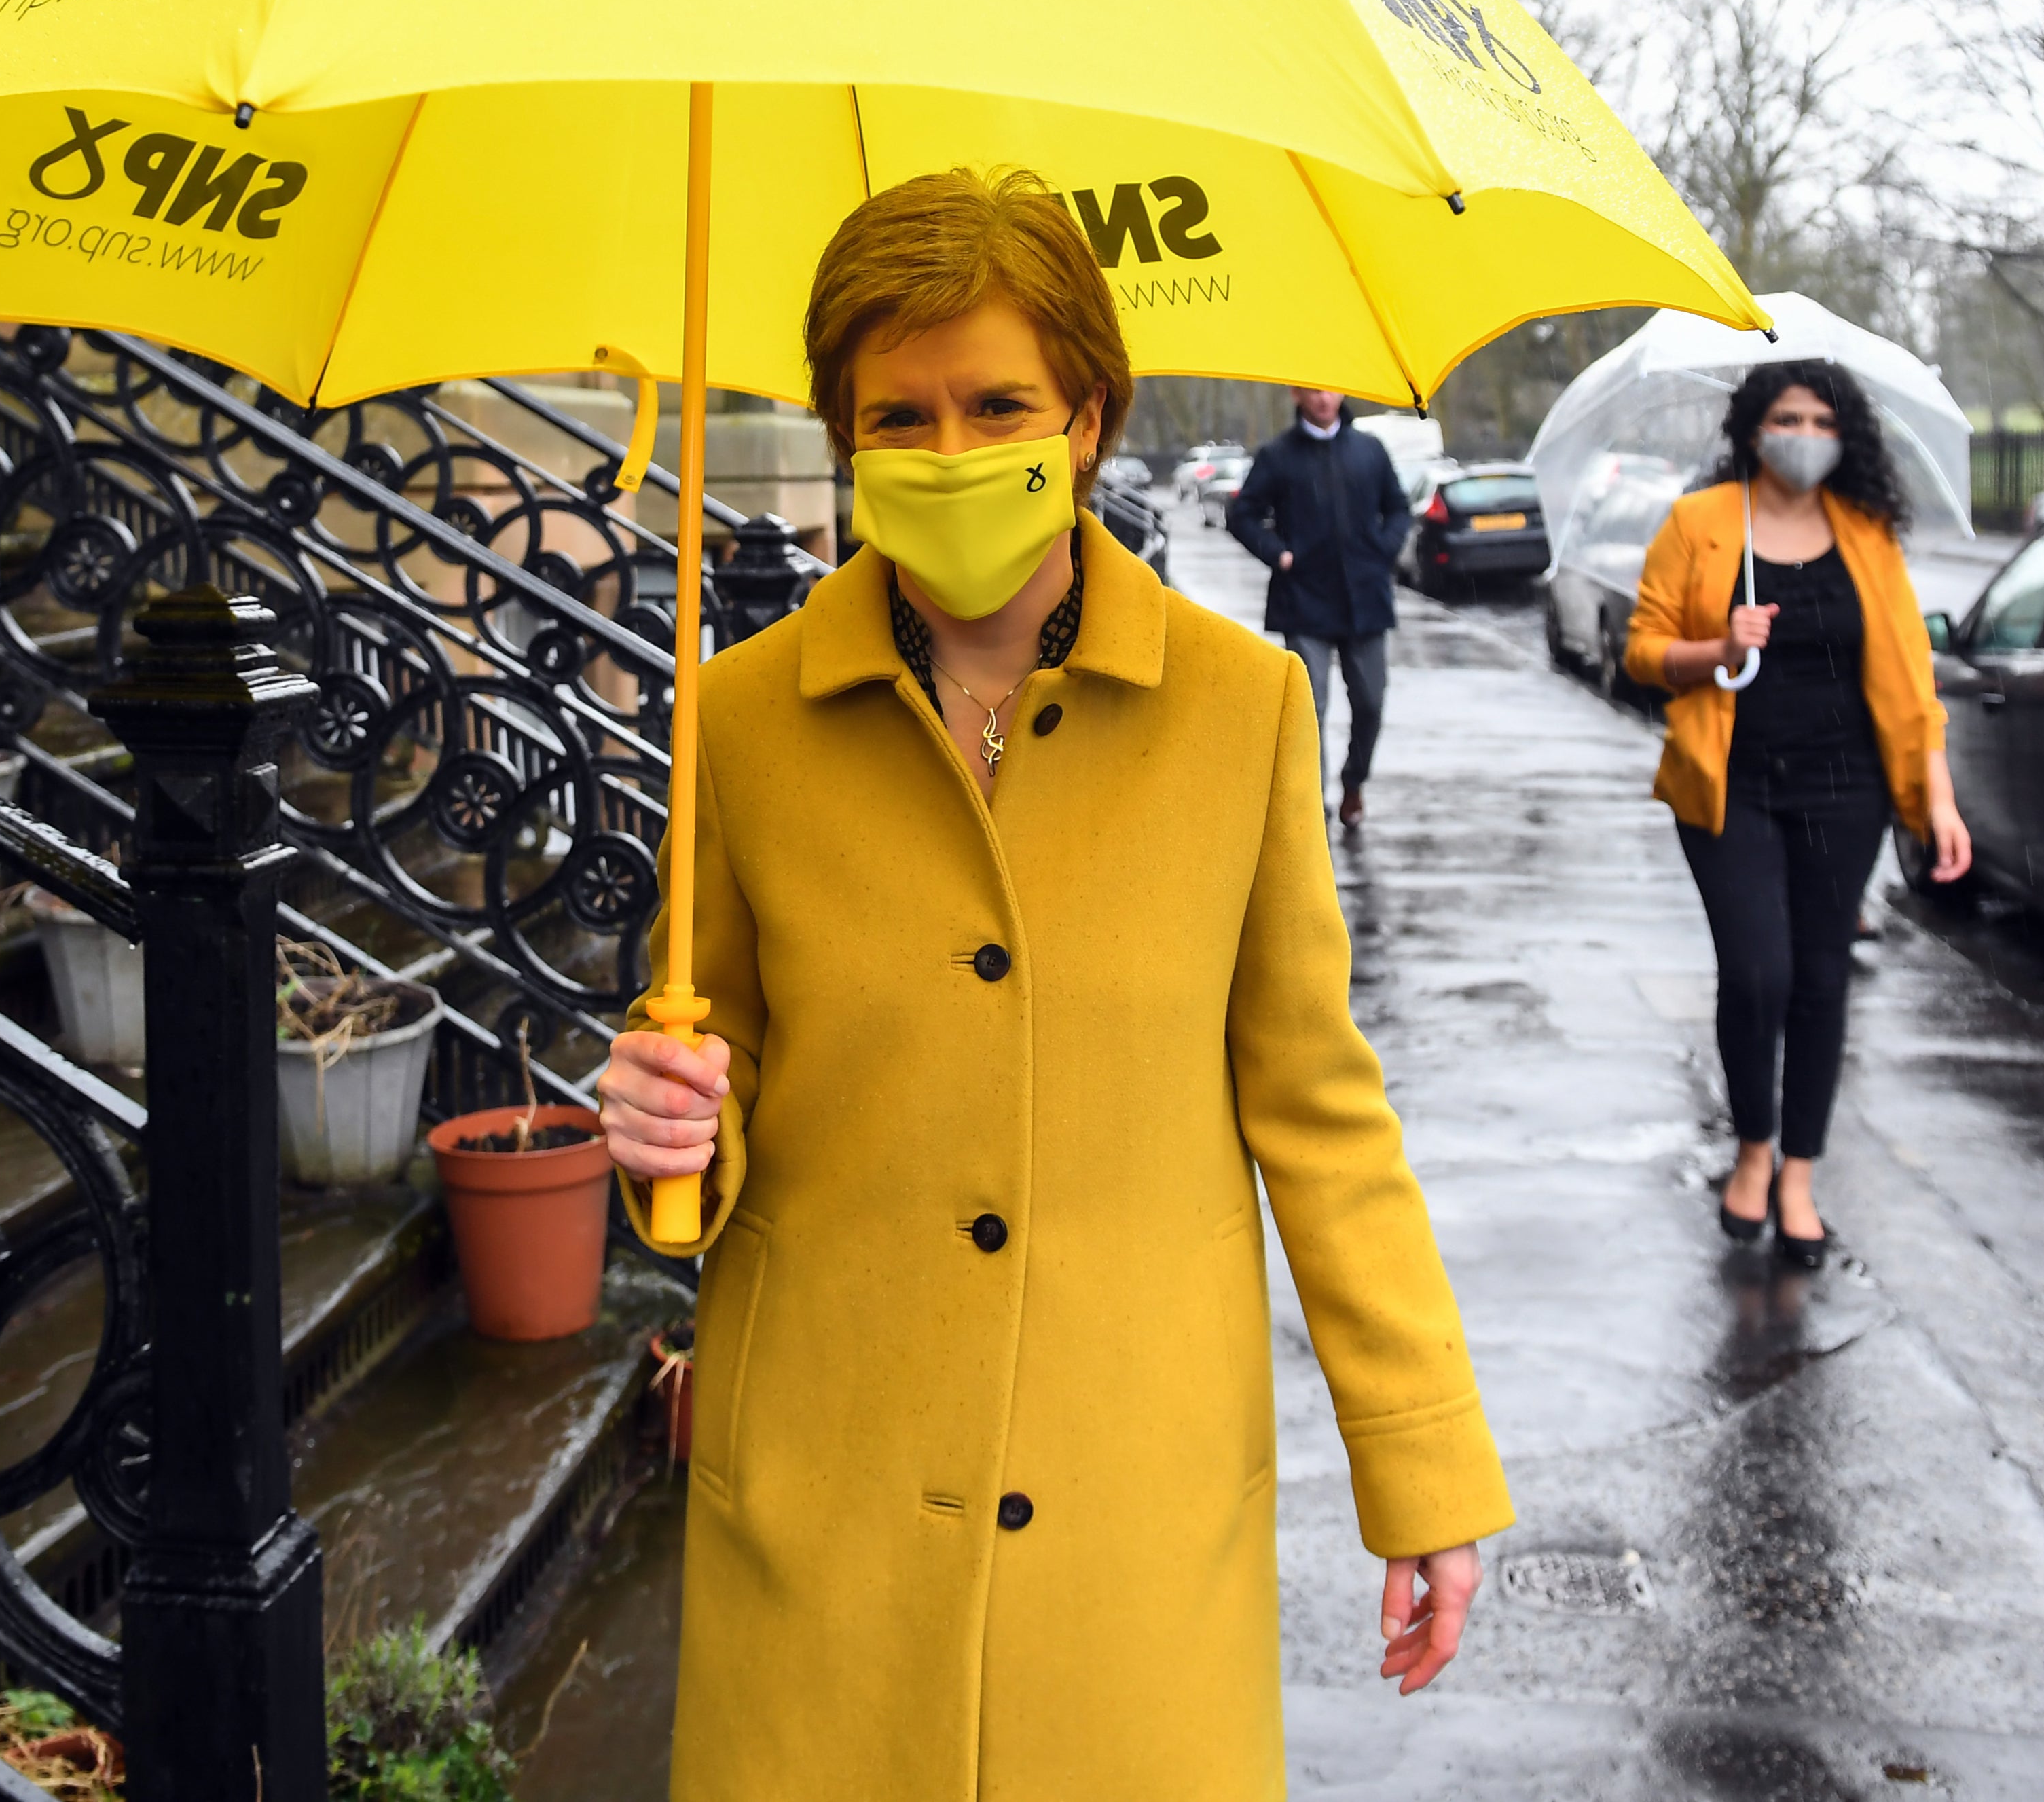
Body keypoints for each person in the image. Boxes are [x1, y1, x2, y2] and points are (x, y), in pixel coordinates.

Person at [595, 171, 1510, 1802]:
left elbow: (1317, 1107)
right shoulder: (737, 720)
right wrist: (668, 1124)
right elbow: (721, 1082)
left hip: (1137, 1504)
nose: (951, 452)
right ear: (844, 434)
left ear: (1085, 414)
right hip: (825, 1500)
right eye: (902, 414)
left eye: (998, 402)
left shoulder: (1245, 710)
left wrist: (1423, 1459)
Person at [1624, 361, 1973, 1269]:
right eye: (1787, 418)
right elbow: (1639, 651)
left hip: (1844, 787)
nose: (1805, 435)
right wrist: (1714, 648)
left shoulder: (1864, 532)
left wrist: (1935, 800)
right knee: (1756, 975)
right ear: (1750, 430)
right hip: (1727, 784)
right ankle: (1750, 1149)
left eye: (1822, 420)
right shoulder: (1700, 524)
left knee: (1820, 979)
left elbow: (1910, 682)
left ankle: (1797, 1176)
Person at [1226, 386, 1412, 826]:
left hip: (1365, 602)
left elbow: (1399, 508)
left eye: (1329, 390)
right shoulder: (1278, 455)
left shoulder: (1369, 450)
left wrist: (1382, 550)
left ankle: (1353, 780)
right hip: (1304, 601)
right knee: (1310, 712)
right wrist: (1278, 553)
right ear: (1296, 396)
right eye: (1312, 391)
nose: (1323, 399)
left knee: (1369, 703)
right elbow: (1242, 514)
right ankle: (1314, 809)